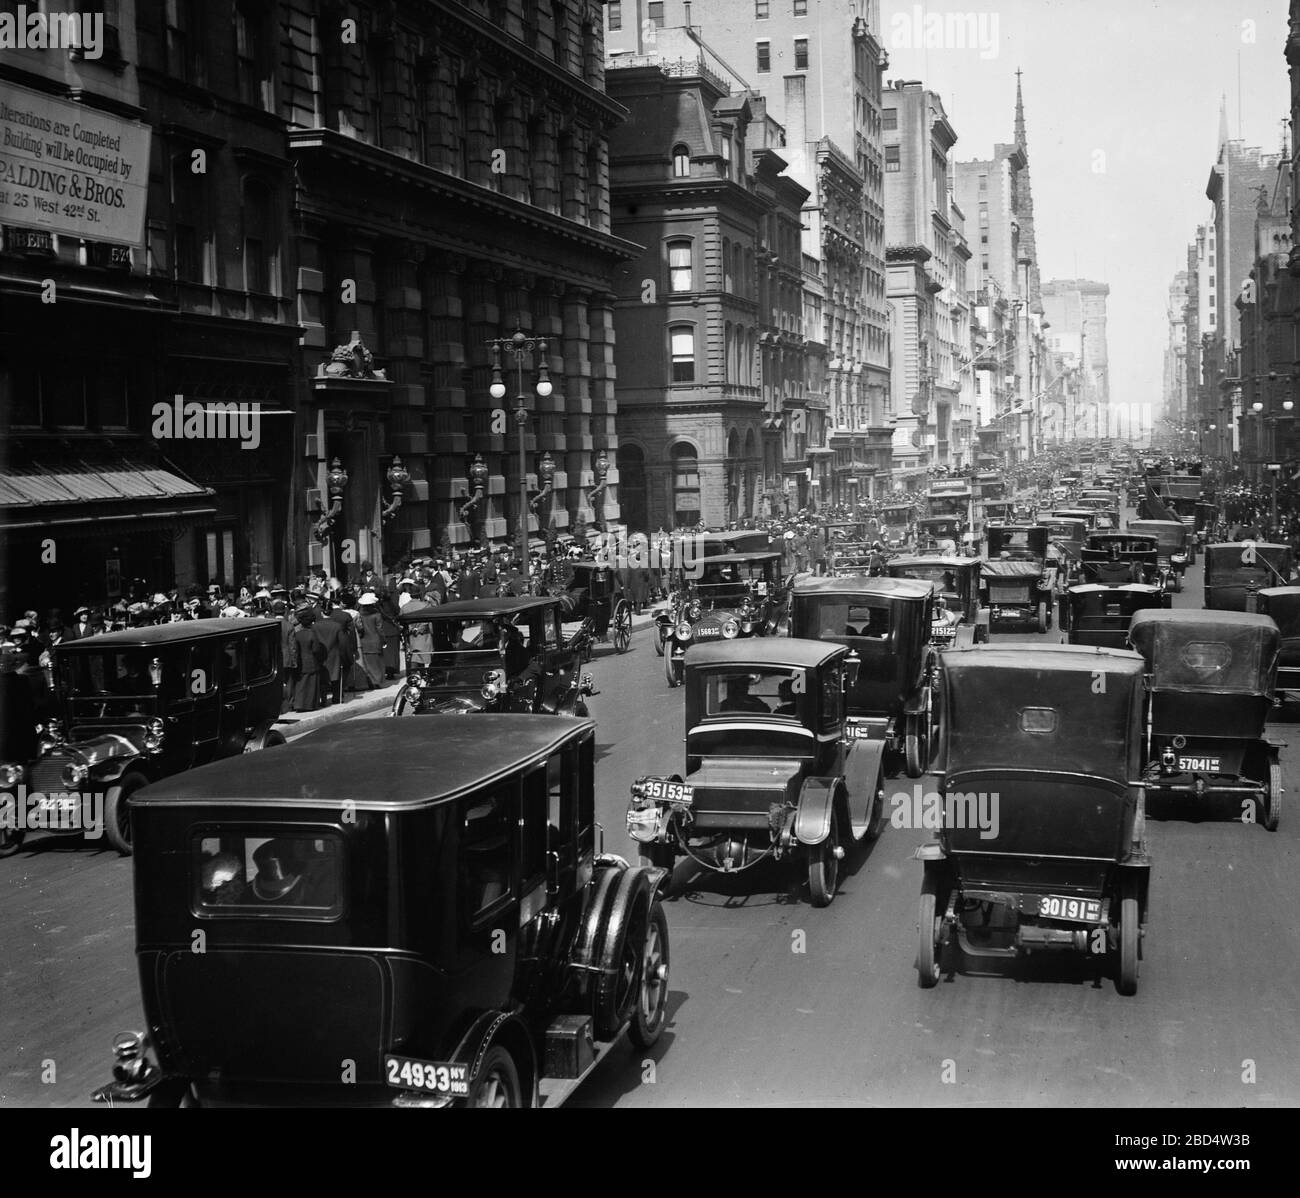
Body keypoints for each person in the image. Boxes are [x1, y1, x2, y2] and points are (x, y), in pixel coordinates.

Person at [290, 605, 325, 712]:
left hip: (300, 662)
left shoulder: (296, 634)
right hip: (311, 662)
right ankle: (310, 705)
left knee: (301, 685)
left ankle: (299, 704)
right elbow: (316, 650)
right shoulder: (312, 634)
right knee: (311, 685)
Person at [357, 593, 385, 689]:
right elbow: (380, 629)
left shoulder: (360, 614)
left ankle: (371, 681)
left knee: (368, 663)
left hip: (364, 641)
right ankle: (377, 681)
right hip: (375, 640)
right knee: (377, 663)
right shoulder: (377, 615)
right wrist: (383, 640)